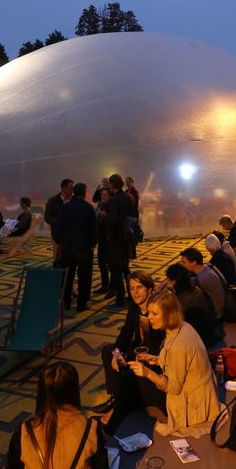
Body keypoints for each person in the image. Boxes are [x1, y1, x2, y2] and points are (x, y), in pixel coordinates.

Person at [128, 290, 222, 437]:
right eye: (149, 313)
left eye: (154, 313)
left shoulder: (177, 345)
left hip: (192, 404)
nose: (149, 317)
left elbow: (173, 388)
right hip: (203, 390)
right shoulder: (184, 326)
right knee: (138, 379)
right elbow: (183, 362)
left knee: (137, 381)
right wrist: (156, 359)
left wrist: (147, 373)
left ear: (168, 314)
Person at [93, 271, 164, 419]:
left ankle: (123, 401)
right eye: (132, 288)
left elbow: (162, 344)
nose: (135, 292)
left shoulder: (158, 310)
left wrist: (144, 355)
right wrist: (117, 352)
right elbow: (125, 334)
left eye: (139, 287)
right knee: (108, 351)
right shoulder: (134, 308)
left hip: (155, 356)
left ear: (149, 289)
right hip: (138, 349)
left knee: (132, 360)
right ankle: (115, 397)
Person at [56, 182, 97, 312]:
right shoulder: (89, 208)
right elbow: (94, 231)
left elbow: (59, 229)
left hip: (67, 249)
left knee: (67, 277)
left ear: (74, 192)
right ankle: (82, 303)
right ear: (84, 193)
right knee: (84, 278)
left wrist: (60, 243)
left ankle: (66, 302)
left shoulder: (65, 208)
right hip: (84, 249)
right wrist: (92, 245)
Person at [165, 263, 215, 347]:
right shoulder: (196, 289)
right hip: (206, 331)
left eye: (168, 280)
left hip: (194, 339)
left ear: (173, 281)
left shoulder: (177, 301)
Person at [106, 173, 136, 307]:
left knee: (116, 270)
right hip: (127, 238)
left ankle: (120, 298)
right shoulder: (129, 197)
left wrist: (109, 237)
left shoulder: (114, 201)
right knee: (125, 268)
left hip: (116, 240)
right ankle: (131, 295)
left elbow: (111, 223)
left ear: (112, 184)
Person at [180, 246, 226, 321]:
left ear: (194, 262)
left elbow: (186, 286)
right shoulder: (206, 267)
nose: (182, 265)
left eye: (184, 262)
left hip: (215, 313)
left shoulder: (202, 278)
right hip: (219, 305)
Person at [44, 178, 74, 266]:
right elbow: (47, 217)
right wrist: (59, 222)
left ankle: (67, 278)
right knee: (57, 259)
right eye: (71, 188)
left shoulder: (74, 201)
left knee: (69, 259)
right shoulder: (53, 201)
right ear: (64, 188)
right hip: (57, 235)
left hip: (71, 235)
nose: (72, 190)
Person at [95, 188, 111, 294]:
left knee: (111, 265)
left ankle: (113, 288)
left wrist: (105, 217)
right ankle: (105, 285)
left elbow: (114, 223)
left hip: (109, 240)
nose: (103, 197)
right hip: (101, 239)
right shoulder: (100, 205)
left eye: (105, 195)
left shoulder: (112, 207)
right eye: (102, 195)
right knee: (101, 263)